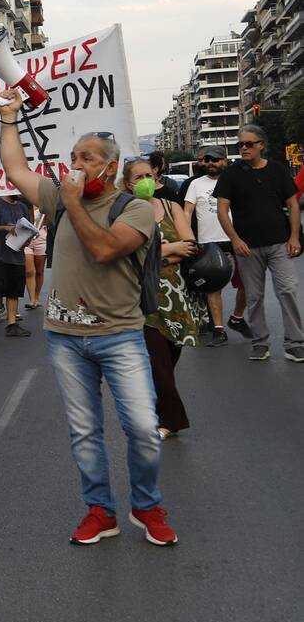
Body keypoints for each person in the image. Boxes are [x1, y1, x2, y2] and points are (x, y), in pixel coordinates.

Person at [0, 87, 178, 547]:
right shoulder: (59, 198)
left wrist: (74, 201)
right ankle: (100, 510)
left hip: (120, 336)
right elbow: (15, 169)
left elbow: (103, 249)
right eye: (73, 157)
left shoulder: (134, 209)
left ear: (110, 167)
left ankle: (146, 505)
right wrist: (9, 117)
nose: (75, 165)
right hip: (65, 338)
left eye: (87, 158)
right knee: (84, 432)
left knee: (143, 429)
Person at [121, 159, 201, 439]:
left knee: (168, 360)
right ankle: (170, 420)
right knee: (158, 362)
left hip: (176, 297)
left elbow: (189, 246)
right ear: (128, 184)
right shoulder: (124, 213)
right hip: (142, 298)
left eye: (149, 174)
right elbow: (131, 255)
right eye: (138, 177)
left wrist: (161, 254)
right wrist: (170, 249)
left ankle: (155, 408)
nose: (146, 180)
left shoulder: (171, 207)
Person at [213, 125, 302, 362]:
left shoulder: (277, 170)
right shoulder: (231, 174)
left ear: (261, 145)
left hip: (279, 244)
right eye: (240, 144)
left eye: (249, 144)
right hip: (247, 248)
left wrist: (294, 237)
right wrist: (235, 239)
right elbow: (222, 210)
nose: (243, 148)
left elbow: (293, 204)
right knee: (254, 297)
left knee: (288, 291)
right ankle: (260, 343)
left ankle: (295, 343)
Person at [183, 145, 247, 346]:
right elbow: (187, 212)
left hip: (236, 240)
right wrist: (187, 238)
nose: (211, 163)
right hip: (208, 244)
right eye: (208, 160)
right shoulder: (195, 184)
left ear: (224, 161)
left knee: (247, 285)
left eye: (216, 159)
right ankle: (219, 330)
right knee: (213, 288)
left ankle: (237, 317)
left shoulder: (235, 181)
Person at [0, 193, 33, 337]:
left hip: (16, 255)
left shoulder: (22, 207)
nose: (21, 192)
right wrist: (5, 228)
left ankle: (12, 324)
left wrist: (27, 240)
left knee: (13, 291)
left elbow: (27, 229)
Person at [24, 207, 48, 310]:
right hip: (26, 239)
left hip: (41, 239)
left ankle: (36, 297)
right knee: (29, 271)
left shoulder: (43, 205)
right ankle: (32, 299)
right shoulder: (24, 203)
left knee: (39, 271)